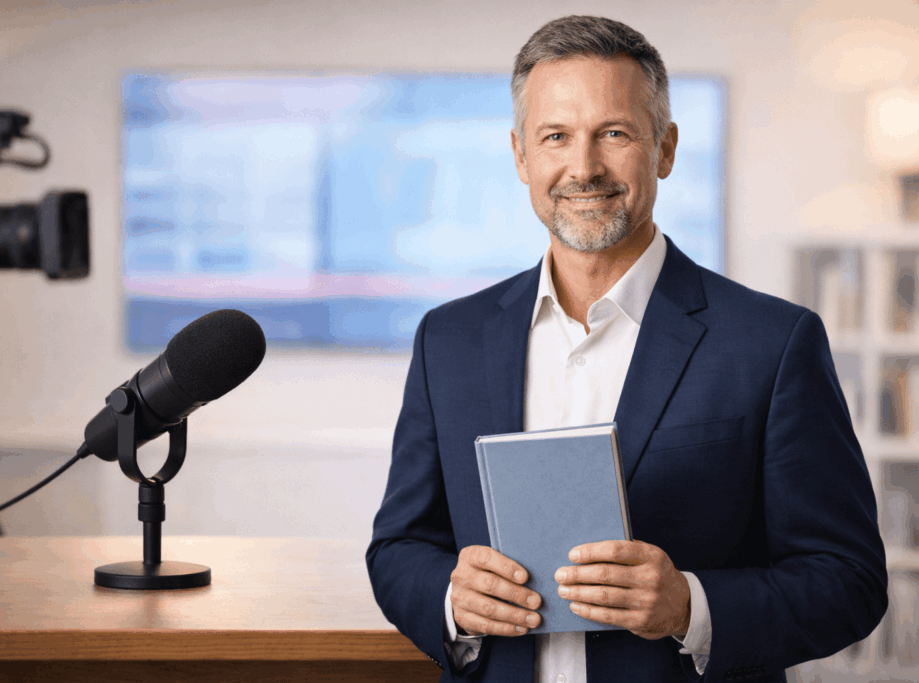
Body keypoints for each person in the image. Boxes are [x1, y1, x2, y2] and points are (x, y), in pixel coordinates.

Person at [366, 15, 887, 683]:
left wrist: (690, 605)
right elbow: (399, 546)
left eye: (614, 134)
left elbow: (849, 581)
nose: (583, 167)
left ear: (664, 149)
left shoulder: (773, 343)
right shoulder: (450, 339)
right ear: (522, 155)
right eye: (556, 136)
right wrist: (449, 595)